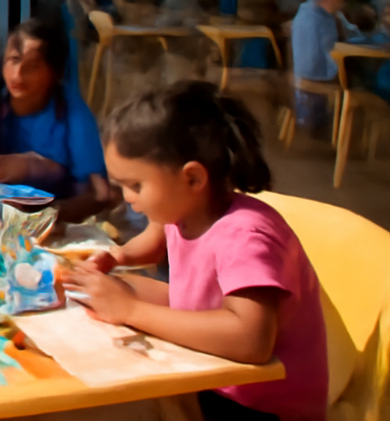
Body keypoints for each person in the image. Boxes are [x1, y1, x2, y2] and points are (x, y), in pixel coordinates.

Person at [66, 82, 327, 421]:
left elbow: (252, 341)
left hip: (259, 404)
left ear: (192, 178)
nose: (127, 198)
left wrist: (128, 309)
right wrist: (120, 257)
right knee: (111, 288)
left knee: (111, 403)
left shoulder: (244, 236)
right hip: (216, 375)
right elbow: (156, 237)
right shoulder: (185, 209)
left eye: (135, 185)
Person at [0, 17, 113, 222]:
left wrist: (47, 216)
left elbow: (100, 194)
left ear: (55, 73)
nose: (18, 74)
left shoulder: (72, 114)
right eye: (13, 60)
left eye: (33, 66)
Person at [290, 0, 362, 131]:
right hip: (312, 77)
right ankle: (345, 131)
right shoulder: (312, 19)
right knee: (358, 85)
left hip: (309, 75)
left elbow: (353, 33)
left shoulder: (328, 14)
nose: (341, 4)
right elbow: (319, 56)